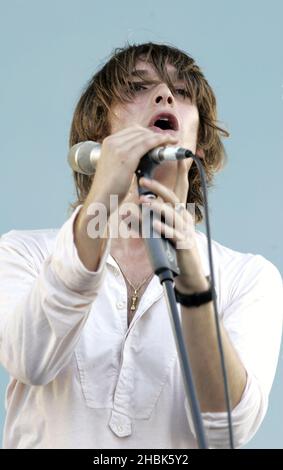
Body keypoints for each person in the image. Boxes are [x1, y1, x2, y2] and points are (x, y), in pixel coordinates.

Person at [0, 42, 282, 449]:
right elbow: (30, 360)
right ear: (99, 140)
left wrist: (192, 279)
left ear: (198, 148)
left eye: (182, 93)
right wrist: (106, 192)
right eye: (137, 86)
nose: (165, 95)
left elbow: (227, 431)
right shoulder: (22, 254)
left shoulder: (248, 278)